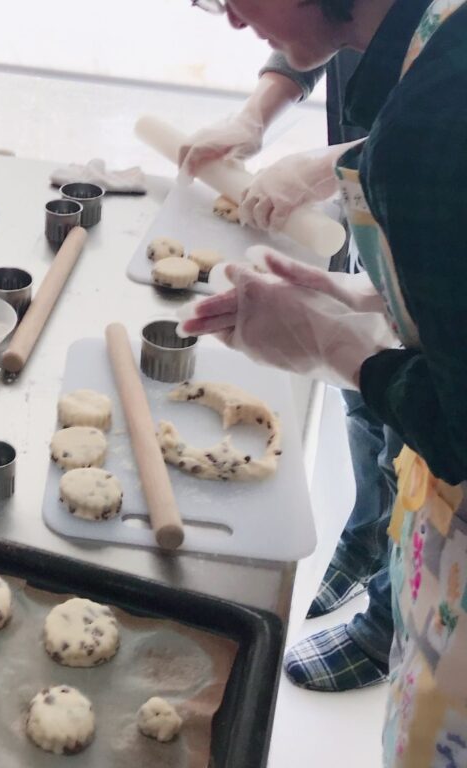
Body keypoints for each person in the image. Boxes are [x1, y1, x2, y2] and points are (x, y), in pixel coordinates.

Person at [182, 0, 467, 761]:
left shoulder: (428, 124)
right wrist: (371, 295)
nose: (230, 18)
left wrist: (337, 350)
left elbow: (460, 429)